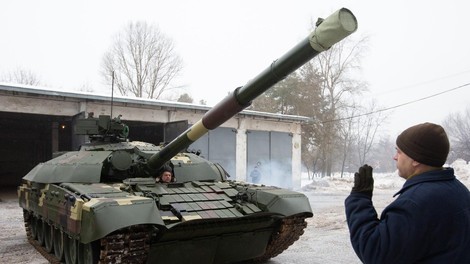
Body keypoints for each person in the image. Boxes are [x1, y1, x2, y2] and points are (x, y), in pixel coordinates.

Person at [345, 122, 470, 263]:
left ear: (416, 159)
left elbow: (375, 251)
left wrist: (359, 199)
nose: (395, 157)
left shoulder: (415, 203)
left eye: (399, 152)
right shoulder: (459, 190)